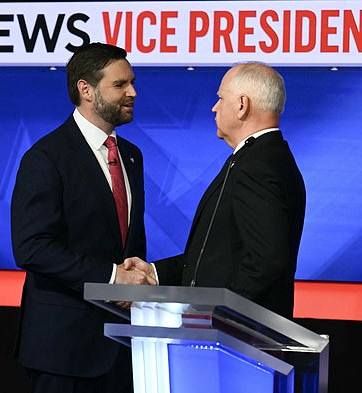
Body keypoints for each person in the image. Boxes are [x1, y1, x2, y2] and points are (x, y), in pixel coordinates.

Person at [10, 42, 155, 393]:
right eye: (120, 84)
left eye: (133, 83)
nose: (133, 93)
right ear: (86, 90)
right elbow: (32, 248)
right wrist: (112, 278)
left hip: (122, 345)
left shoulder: (131, 156)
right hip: (64, 349)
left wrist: (138, 276)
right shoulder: (47, 158)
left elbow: (126, 240)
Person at [125, 62, 305, 319]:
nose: (214, 107)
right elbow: (216, 255)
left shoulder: (260, 165)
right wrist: (155, 273)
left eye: (220, 98)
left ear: (242, 105)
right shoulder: (256, 158)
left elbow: (266, 261)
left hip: (241, 337)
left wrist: (217, 314)